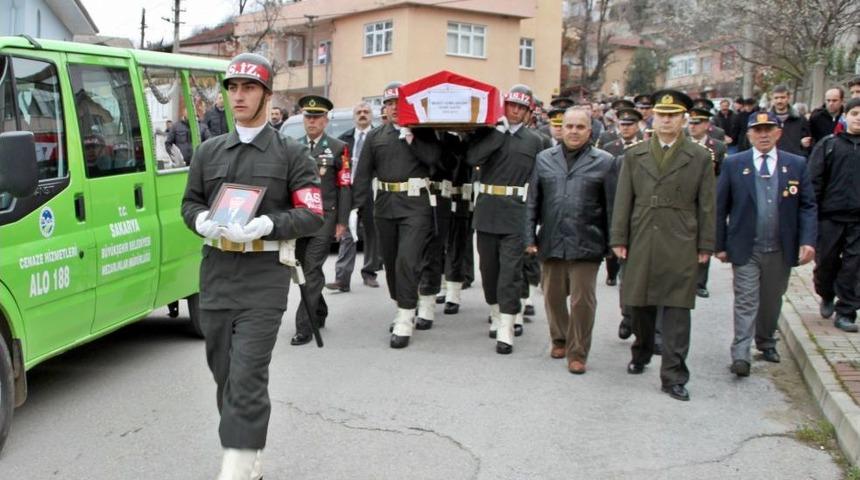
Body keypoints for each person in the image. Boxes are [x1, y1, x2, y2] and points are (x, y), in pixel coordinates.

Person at [181, 52, 323, 479]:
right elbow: (190, 203)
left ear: (266, 94)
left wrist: (268, 223)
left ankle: (237, 467)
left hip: (264, 277)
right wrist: (200, 220)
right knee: (223, 372)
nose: (239, 96)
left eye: (249, 88)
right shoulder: (208, 152)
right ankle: (249, 450)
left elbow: (313, 213)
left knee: (246, 374)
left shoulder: (291, 153)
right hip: (218, 273)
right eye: (233, 88)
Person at [610, 89, 715, 402]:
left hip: (681, 237)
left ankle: (673, 375)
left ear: (684, 119)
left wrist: (705, 243)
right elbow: (623, 200)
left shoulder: (698, 156)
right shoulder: (635, 154)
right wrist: (619, 237)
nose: (667, 120)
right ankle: (641, 351)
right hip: (642, 234)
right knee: (639, 303)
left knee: (678, 310)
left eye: (673, 115)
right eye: (661, 114)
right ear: (652, 116)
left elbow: (707, 203)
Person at [716, 111, 817, 376]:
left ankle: (766, 340)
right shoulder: (734, 164)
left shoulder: (795, 164)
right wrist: (719, 243)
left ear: (778, 133)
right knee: (746, 300)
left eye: (768, 129)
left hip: (781, 247)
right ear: (748, 134)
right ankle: (740, 353)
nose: (763, 135)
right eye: (757, 130)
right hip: (746, 246)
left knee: (771, 300)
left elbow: (807, 206)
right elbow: (720, 206)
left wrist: (807, 240)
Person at [525, 108, 617, 374]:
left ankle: (578, 352)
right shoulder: (543, 159)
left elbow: (612, 206)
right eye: (569, 126)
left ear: (590, 130)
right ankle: (560, 339)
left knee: (581, 301)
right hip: (552, 239)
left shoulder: (605, 161)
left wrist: (614, 243)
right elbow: (532, 202)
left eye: (580, 127)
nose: (574, 131)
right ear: (561, 128)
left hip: (587, 240)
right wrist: (529, 236)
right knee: (552, 297)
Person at [352, 81, 442, 349]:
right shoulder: (376, 136)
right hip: (385, 205)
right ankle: (402, 304)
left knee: (407, 259)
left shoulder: (422, 132)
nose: (393, 108)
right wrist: (355, 208)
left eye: (398, 103)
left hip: (416, 205)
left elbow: (435, 161)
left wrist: (411, 136)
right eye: (389, 103)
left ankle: (405, 316)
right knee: (390, 262)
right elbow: (363, 173)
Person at [467, 84, 544, 354]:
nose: (515, 110)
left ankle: (507, 325)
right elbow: (472, 159)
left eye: (521, 107)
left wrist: (536, 217)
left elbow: (539, 181)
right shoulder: (487, 133)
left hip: (517, 211)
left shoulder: (535, 141)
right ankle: (496, 311)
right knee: (489, 270)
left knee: (511, 271)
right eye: (512, 105)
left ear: (527, 112)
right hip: (487, 209)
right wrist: (496, 134)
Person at [290, 95, 351, 346]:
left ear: (326, 120)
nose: (311, 121)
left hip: (325, 216)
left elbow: (344, 185)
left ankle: (305, 325)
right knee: (304, 268)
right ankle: (320, 310)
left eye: (316, 117)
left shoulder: (337, 147)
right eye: (308, 117)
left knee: (311, 268)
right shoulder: (293, 145)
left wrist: (342, 220)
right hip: (300, 216)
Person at [810, 97, 860, 332]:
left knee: (853, 267)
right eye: (854, 113)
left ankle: (846, 312)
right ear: (845, 116)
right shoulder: (829, 145)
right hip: (830, 217)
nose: (858, 117)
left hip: (858, 220)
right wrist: (812, 216)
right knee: (826, 262)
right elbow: (814, 181)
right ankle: (826, 292)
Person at [328, 101, 382, 292]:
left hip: (371, 189)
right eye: (358, 112)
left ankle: (369, 273)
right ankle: (342, 278)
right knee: (346, 232)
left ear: (371, 115)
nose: (362, 114)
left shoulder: (378, 137)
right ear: (354, 116)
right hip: (348, 190)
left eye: (366, 112)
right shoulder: (345, 139)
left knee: (371, 231)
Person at [600, 104, 643, 291]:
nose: (625, 128)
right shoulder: (610, 146)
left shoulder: (644, 146)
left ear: (637, 126)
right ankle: (611, 272)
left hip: (636, 196)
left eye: (630, 124)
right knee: (612, 231)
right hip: (613, 195)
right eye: (622, 124)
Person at [687, 106, 727, 299]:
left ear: (707, 125)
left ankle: (700, 282)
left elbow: (721, 173)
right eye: (691, 123)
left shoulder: (717, 146)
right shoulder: (683, 143)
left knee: (704, 236)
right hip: (686, 196)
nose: (693, 127)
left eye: (698, 123)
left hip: (708, 196)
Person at [768, 85, 812, 156]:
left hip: (794, 161)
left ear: (788, 98)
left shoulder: (800, 120)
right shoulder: (767, 121)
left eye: (782, 97)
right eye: (776, 98)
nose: (779, 101)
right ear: (772, 99)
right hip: (773, 162)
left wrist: (803, 145)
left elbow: (808, 142)